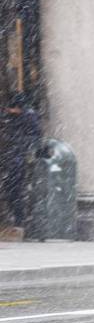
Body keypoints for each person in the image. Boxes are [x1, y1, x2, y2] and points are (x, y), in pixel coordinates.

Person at [0, 93, 40, 227]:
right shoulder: (16, 117)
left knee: (15, 189)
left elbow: (33, 137)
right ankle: (17, 217)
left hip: (16, 158)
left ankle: (19, 218)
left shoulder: (26, 116)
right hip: (12, 157)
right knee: (13, 188)